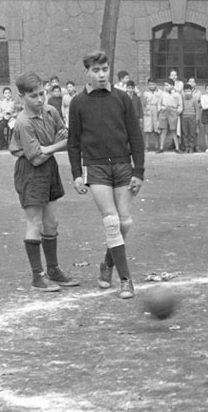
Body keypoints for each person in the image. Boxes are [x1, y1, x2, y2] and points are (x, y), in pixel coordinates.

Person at [67, 50, 145, 300]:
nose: (101, 75)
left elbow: (135, 136)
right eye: (96, 71)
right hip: (96, 168)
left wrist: (139, 170)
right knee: (111, 222)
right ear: (87, 72)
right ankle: (126, 280)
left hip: (123, 165)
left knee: (125, 223)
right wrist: (77, 174)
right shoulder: (78, 103)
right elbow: (73, 142)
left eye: (105, 70)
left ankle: (108, 264)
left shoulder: (123, 98)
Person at [8, 71, 80, 292]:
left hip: (49, 169)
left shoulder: (50, 111)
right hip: (30, 172)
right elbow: (36, 157)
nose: (40, 100)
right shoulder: (23, 122)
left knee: (52, 223)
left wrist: (48, 147)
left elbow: (69, 138)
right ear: (22, 97)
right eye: (34, 96)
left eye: (42, 94)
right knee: (35, 223)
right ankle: (37, 276)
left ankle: (53, 269)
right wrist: (53, 146)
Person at [157, 78, 182, 153]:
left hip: (172, 111)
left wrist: (177, 112)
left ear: (172, 85)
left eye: (167, 85)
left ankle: (177, 147)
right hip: (164, 111)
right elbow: (159, 103)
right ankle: (161, 147)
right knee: (163, 130)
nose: (165, 87)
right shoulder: (162, 94)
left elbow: (180, 105)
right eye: (164, 85)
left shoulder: (177, 94)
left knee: (173, 130)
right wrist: (160, 110)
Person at [142, 78, 161, 151]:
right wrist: (145, 111)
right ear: (148, 85)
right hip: (148, 109)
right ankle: (146, 145)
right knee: (147, 128)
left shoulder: (159, 92)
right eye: (150, 84)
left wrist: (159, 111)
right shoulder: (146, 93)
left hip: (156, 109)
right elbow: (143, 103)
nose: (152, 86)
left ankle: (157, 145)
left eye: (153, 84)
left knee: (157, 128)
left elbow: (160, 102)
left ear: (156, 84)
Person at [180, 83, 199, 153]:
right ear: (183, 92)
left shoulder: (194, 100)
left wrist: (197, 119)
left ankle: (191, 147)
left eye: (189, 91)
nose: (187, 93)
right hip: (184, 117)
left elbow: (197, 110)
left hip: (192, 117)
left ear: (191, 91)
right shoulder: (182, 100)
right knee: (185, 133)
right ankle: (186, 147)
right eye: (185, 91)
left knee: (192, 133)